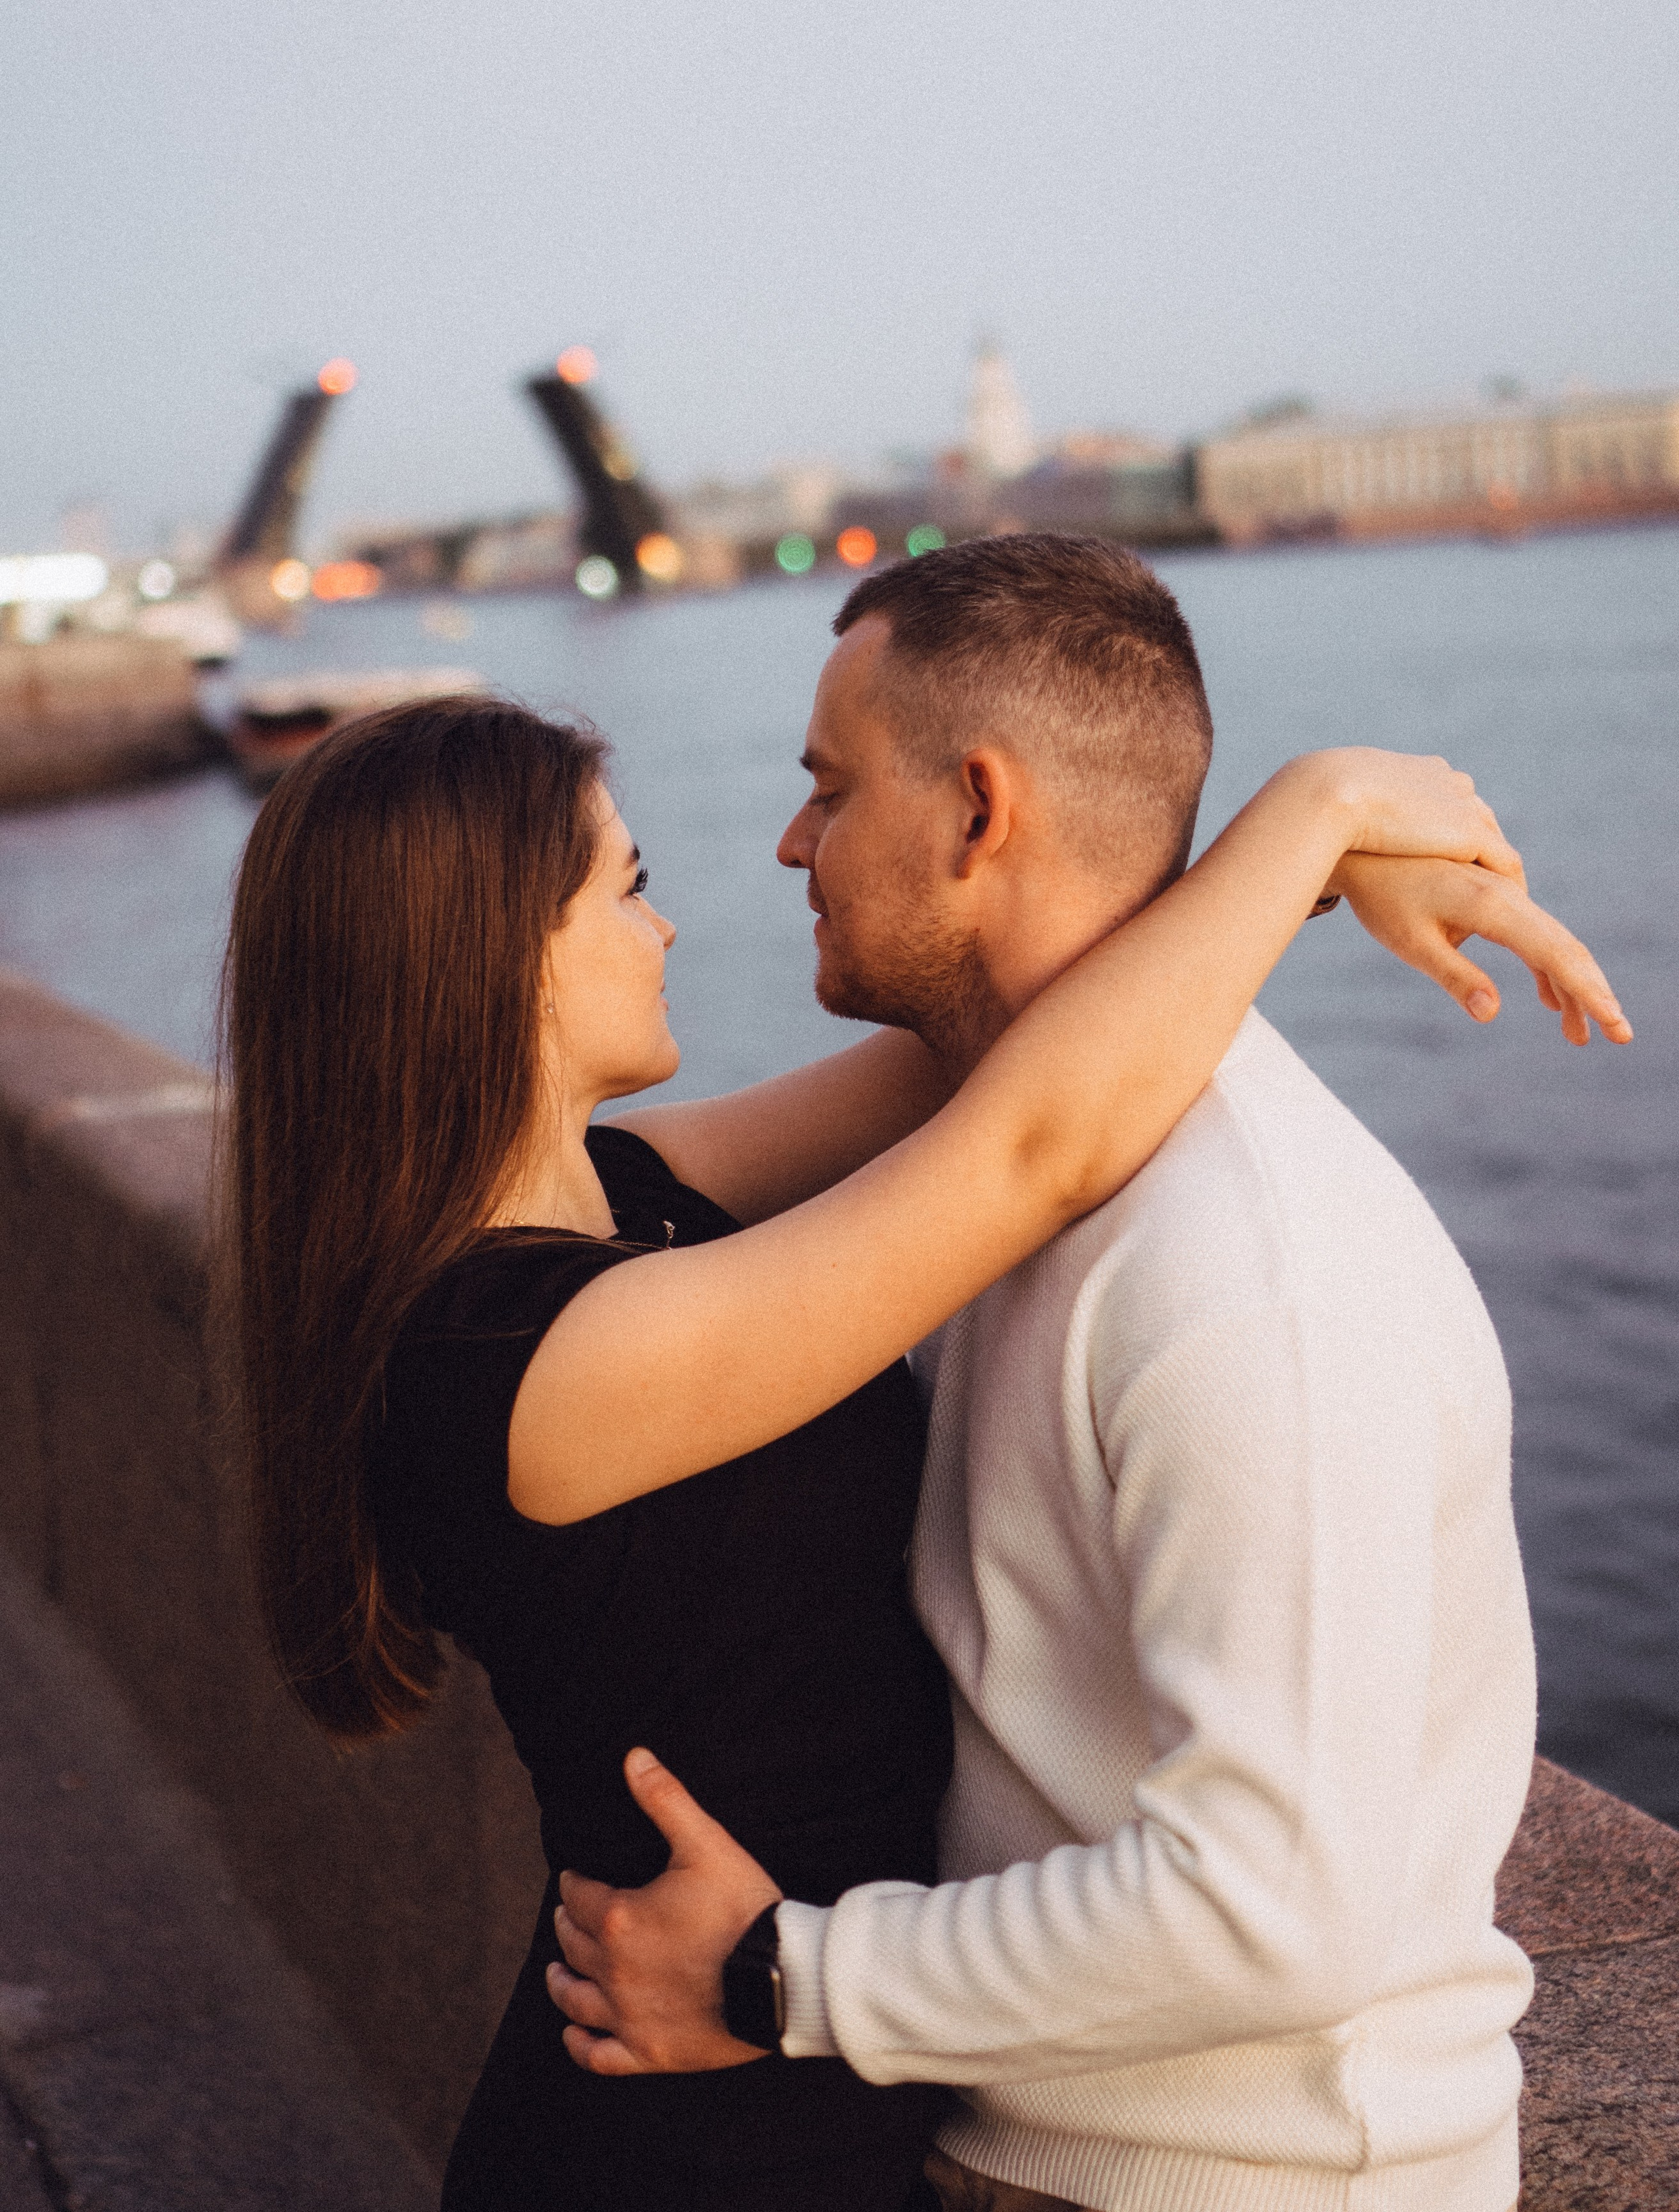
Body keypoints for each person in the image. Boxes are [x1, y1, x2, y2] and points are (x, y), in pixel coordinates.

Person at [220, 582, 1619, 2211]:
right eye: (629, 886)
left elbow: (1023, 1040)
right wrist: (1318, 806)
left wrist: (1276, 869)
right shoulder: (519, 1361)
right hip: (693, 2128)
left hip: (821, 2081)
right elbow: (1030, 1138)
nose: (683, 913)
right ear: (495, 960)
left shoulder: (628, 1195)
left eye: (823, 794)